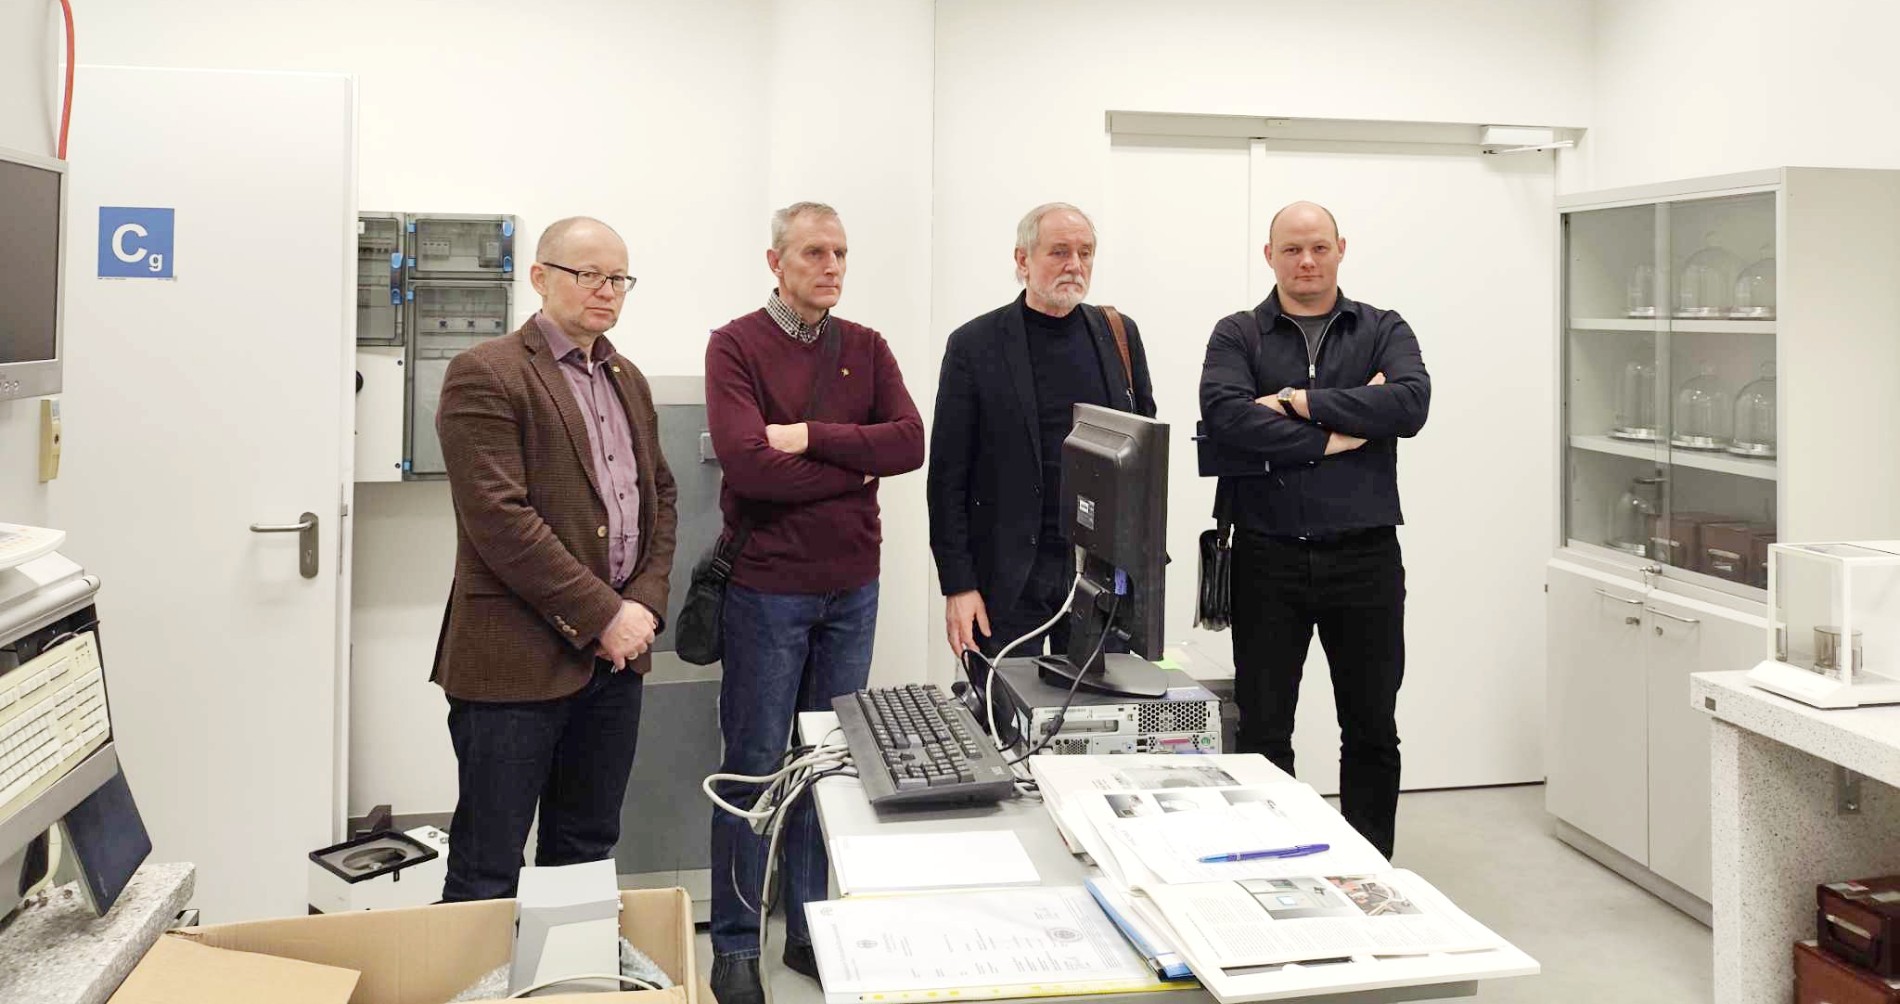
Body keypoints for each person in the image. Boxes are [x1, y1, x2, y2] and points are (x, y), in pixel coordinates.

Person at [703, 201, 925, 1004]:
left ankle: (807, 929)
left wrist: (808, 437)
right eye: (813, 254)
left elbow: (910, 442)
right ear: (776, 262)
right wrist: (855, 467)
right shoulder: (735, 345)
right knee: (754, 766)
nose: (831, 267)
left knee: (826, 764)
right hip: (767, 590)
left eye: (840, 253)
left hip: (851, 588)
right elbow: (748, 466)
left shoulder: (866, 345)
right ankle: (736, 944)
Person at [432, 216, 678, 901]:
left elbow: (659, 496)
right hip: (515, 660)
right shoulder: (486, 373)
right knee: (488, 864)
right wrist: (605, 616)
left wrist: (643, 605)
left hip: (614, 663)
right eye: (588, 273)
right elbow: (500, 520)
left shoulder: (628, 378)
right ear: (540, 277)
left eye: (619, 277)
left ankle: (574, 965)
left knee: (585, 853)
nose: (607, 289)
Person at [1197, 201, 1430, 859]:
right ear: (1269, 255)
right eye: (1292, 249)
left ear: (1340, 249)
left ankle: (1369, 867)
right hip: (1265, 559)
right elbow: (1225, 418)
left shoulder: (1381, 328)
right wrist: (1338, 435)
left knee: (1371, 729)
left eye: (1319, 248)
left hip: (1365, 558)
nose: (1306, 261)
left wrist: (1296, 403)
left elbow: (1410, 404)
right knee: (1264, 731)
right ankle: (1274, 861)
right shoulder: (1238, 334)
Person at [927, 202, 1156, 670]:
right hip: (1008, 578)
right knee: (1001, 709)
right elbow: (947, 478)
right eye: (1059, 252)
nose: (1075, 264)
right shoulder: (974, 345)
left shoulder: (1118, 335)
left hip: (1100, 573)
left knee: (1096, 709)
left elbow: (1144, 451)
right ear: (1022, 259)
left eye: (1085, 253)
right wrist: (958, 585)